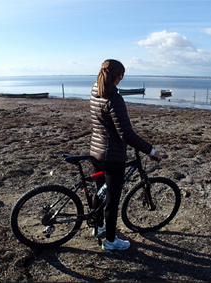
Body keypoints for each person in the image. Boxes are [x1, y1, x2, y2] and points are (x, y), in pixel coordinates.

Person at [90, 59, 162, 251]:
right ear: (118, 76)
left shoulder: (95, 90)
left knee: (100, 192)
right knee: (112, 200)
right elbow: (126, 134)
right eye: (122, 75)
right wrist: (150, 150)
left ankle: (98, 228)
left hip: (95, 151)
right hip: (112, 156)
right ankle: (111, 242)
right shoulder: (115, 99)